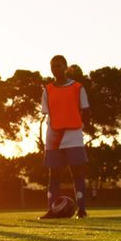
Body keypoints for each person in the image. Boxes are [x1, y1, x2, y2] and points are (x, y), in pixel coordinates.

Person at [40, 55, 91, 219]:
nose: (56, 69)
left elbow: (86, 110)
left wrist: (81, 126)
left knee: (77, 173)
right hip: (54, 137)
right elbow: (47, 113)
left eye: (59, 66)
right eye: (53, 66)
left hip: (73, 135)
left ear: (65, 67)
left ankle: (82, 210)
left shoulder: (78, 87)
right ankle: (51, 210)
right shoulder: (47, 90)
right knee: (54, 174)